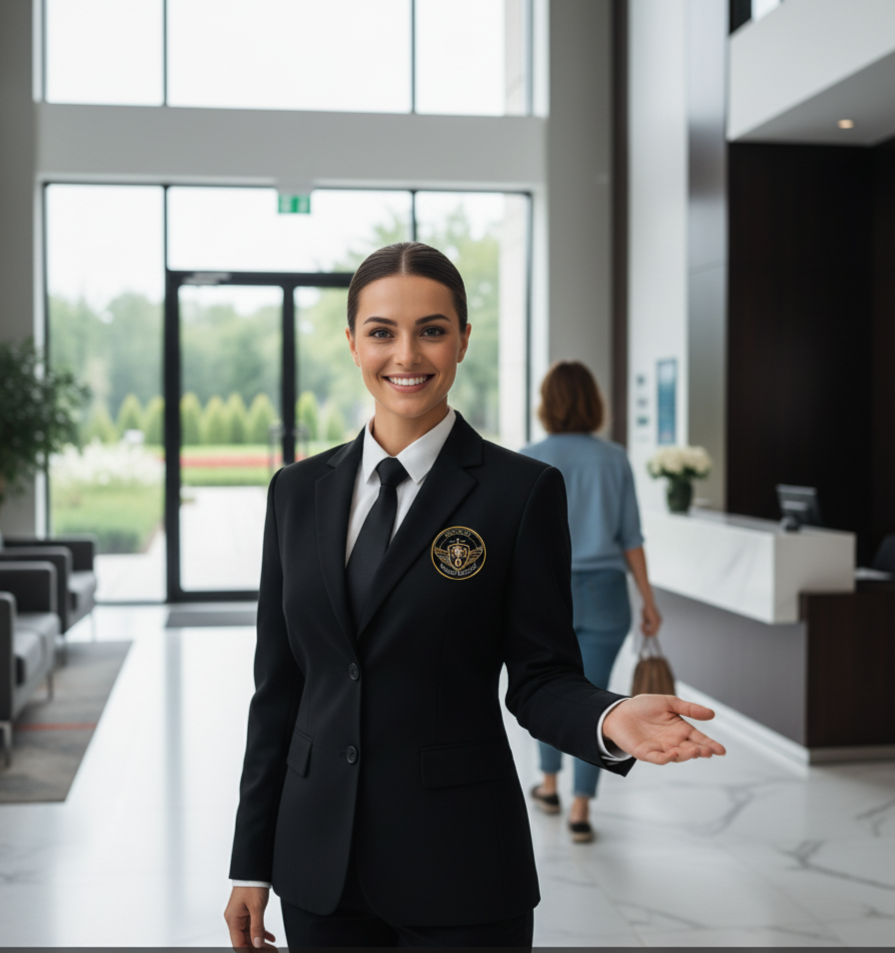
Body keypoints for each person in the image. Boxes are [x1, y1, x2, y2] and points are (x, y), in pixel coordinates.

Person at [223, 242, 725, 950]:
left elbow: (540, 675)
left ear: (462, 337)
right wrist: (251, 860)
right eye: (381, 331)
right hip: (317, 865)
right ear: (351, 342)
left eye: (431, 329)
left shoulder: (520, 493)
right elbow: (278, 690)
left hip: (458, 862)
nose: (406, 354)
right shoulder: (295, 492)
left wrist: (608, 718)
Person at [523, 360, 662, 844]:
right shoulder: (615, 458)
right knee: (598, 699)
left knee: (543, 687)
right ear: (593, 402)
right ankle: (581, 807)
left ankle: (548, 783)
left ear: (546, 403)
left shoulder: (528, 457)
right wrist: (648, 600)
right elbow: (631, 538)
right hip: (606, 592)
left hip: (546, 591)